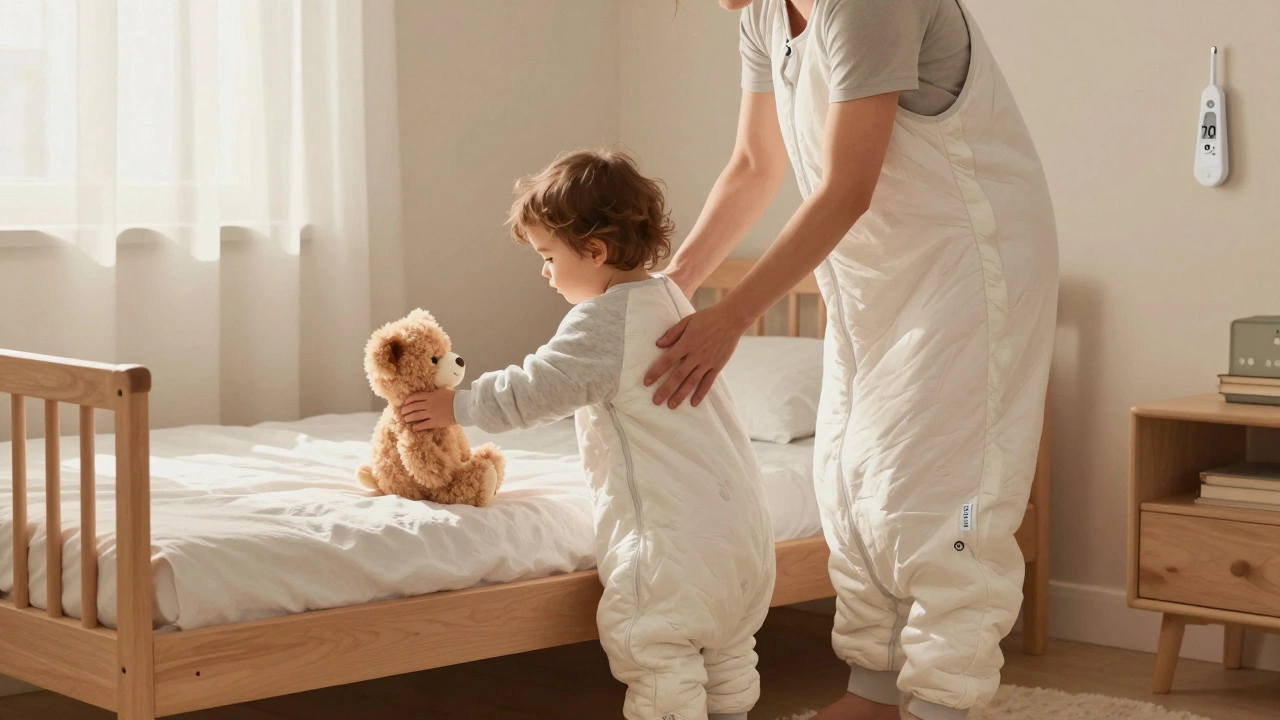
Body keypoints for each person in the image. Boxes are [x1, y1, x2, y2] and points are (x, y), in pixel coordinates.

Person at [643, 2, 1058, 720]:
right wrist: (670, 287)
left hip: (967, 266)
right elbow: (753, 165)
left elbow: (846, 187)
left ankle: (942, 702)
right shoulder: (764, 15)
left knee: (950, 498)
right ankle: (874, 688)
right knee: (851, 477)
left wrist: (733, 317)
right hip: (870, 276)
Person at [399, 149, 777, 720]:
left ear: (595, 251)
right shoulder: (670, 298)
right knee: (727, 652)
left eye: (549, 256)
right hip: (744, 541)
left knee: (653, 649)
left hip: (670, 547)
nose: (545, 272)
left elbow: (538, 389)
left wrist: (460, 404)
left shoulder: (604, 322)